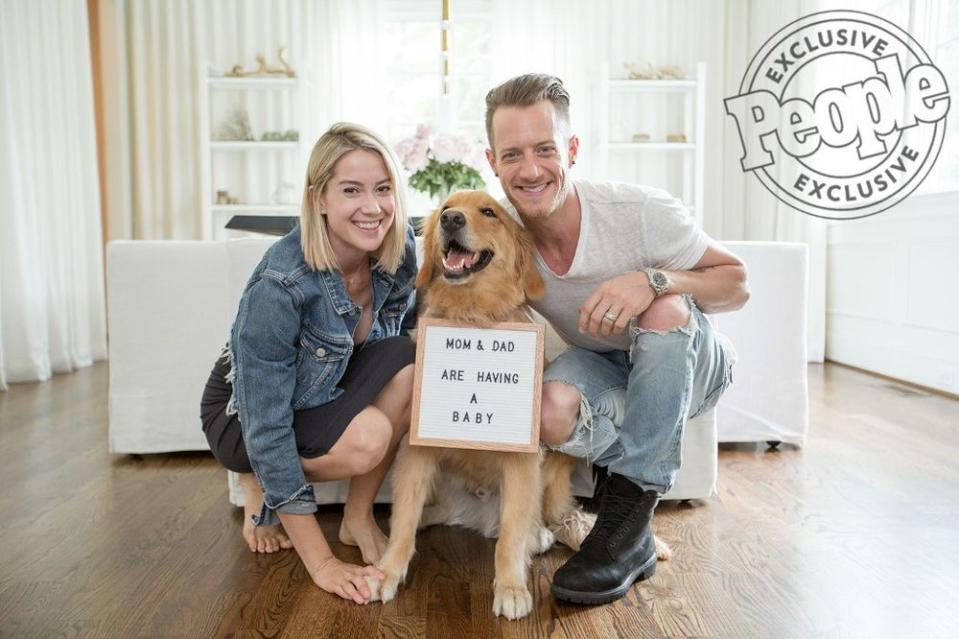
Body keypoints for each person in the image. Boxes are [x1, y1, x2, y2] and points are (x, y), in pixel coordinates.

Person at [483, 74, 749, 604]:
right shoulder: (504, 234)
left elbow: (736, 283)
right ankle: (637, 533)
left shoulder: (640, 213)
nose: (530, 170)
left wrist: (653, 280)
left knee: (664, 310)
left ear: (573, 149)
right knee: (547, 412)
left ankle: (624, 527)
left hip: (692, 364)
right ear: (492, 162)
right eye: (512, 155)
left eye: (545, 149)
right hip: (607, 365)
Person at [200, 122, 418, 605]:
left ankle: (357, 518)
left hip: (323, 392)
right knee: (368, 439)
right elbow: (266, 424)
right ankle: (254, 477)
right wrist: (321, 564)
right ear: (319, 197)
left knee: (410, 357)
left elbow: (411, 334)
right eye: (351, 190)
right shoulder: (280, 285)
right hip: (245, 415)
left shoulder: (398, 251)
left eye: (383, 189)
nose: (373, 207)